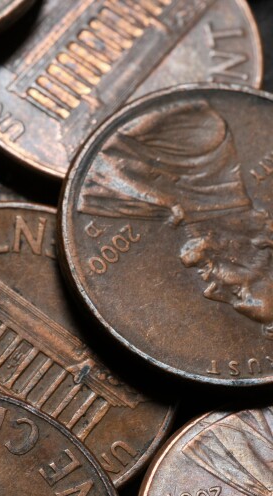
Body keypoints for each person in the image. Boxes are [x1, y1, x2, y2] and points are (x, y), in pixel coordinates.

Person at [77, 98, 273, 337]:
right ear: (265, 249)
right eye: (238, 291)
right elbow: (101, 159)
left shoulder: (171, 210)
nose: (210, 291)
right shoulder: (205, 138)